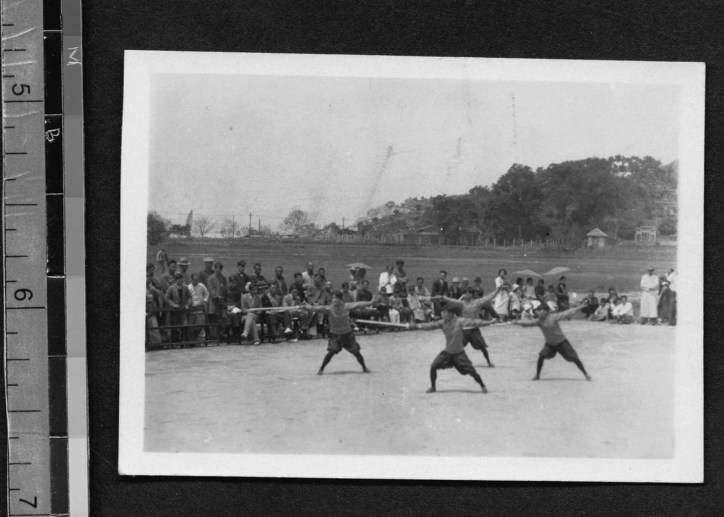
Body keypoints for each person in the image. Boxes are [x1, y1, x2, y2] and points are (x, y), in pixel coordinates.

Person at [409, 303, 492, 393]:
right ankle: (433, 387)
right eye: (442, 312)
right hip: (448, 353)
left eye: (444, 312)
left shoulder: (460, 321)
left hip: (459, 354)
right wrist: (416, 326)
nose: (442, 314)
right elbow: (429, 326)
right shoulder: (442, 323)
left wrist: (489, 322)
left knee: (471, 371)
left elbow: (475, 322)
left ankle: (483, 386)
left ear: (451, 313)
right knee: (433, 366)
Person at [513, 301, 591, 381]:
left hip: (562, 342)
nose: (538, 313)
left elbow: (568, 312)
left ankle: (586, 374)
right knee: (541, 356)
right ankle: (537, 375)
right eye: (538, 311)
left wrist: (580, 307)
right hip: (550, 344)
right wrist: (517, 323)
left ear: (546, 311)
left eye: (540, 311)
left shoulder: (554, 317)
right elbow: (528, 324)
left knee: (574, 358)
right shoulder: (539, 321)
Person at [302, 292, 372, 375]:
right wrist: (307, 306)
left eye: (336, 298)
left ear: (340, 299)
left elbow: (358, 304)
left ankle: (364, 368)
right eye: (333, 298)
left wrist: (371, 302)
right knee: (331, 352)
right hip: (335, 335)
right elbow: (316, 308)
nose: (333, 300)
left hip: (347, 334)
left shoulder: (345, 306)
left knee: (356, 352)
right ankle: (321, 369)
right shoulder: (329, 309)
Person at [434, 285, 502, 367]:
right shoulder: (462, 303)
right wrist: (443, 298)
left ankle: (488, 362)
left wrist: (497, 290)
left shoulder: (477, 302)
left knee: (482, 347)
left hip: (474, 330)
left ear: (470, 294)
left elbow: (489, 298)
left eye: (465, 293)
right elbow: (452, 301)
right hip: (464, 330)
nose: (464, 295)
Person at [165, 272, 190, 342]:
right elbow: (166, 298)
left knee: (185, 325)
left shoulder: (185, 287)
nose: (180, 282)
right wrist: (173, 304)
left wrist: (187, 304)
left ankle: (184, 342)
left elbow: (189, 297)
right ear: (175, 280)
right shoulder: (171, 288)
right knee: (174, 327)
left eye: (181, 280)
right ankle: (174, 343)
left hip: (183, 310)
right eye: (179, 280)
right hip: (175, 311)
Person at [206, 262, 228, 340]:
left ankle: (221, 334)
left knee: (224, 317)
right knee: (212, 318)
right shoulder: (210, 278)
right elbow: (210, 289)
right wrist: (216, 296)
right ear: (215, 268)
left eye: (220, 269)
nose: (219, 271)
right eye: (217, 269)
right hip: (213, 301)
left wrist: (223, 297)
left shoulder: (223, 278)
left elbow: (225, 289)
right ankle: (213, 336)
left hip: (221, 302)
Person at [187, 273, 210, 341]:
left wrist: (204, 301)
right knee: (191, 327)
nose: (196, 281)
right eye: (194, 280)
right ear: (191, 280)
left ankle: (195, 338)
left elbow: (207, 293)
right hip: (191, 309)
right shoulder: (188, 287)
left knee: (200, 325)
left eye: (197, 280)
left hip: (200, 308)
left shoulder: (201, 286)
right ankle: (191, 341)